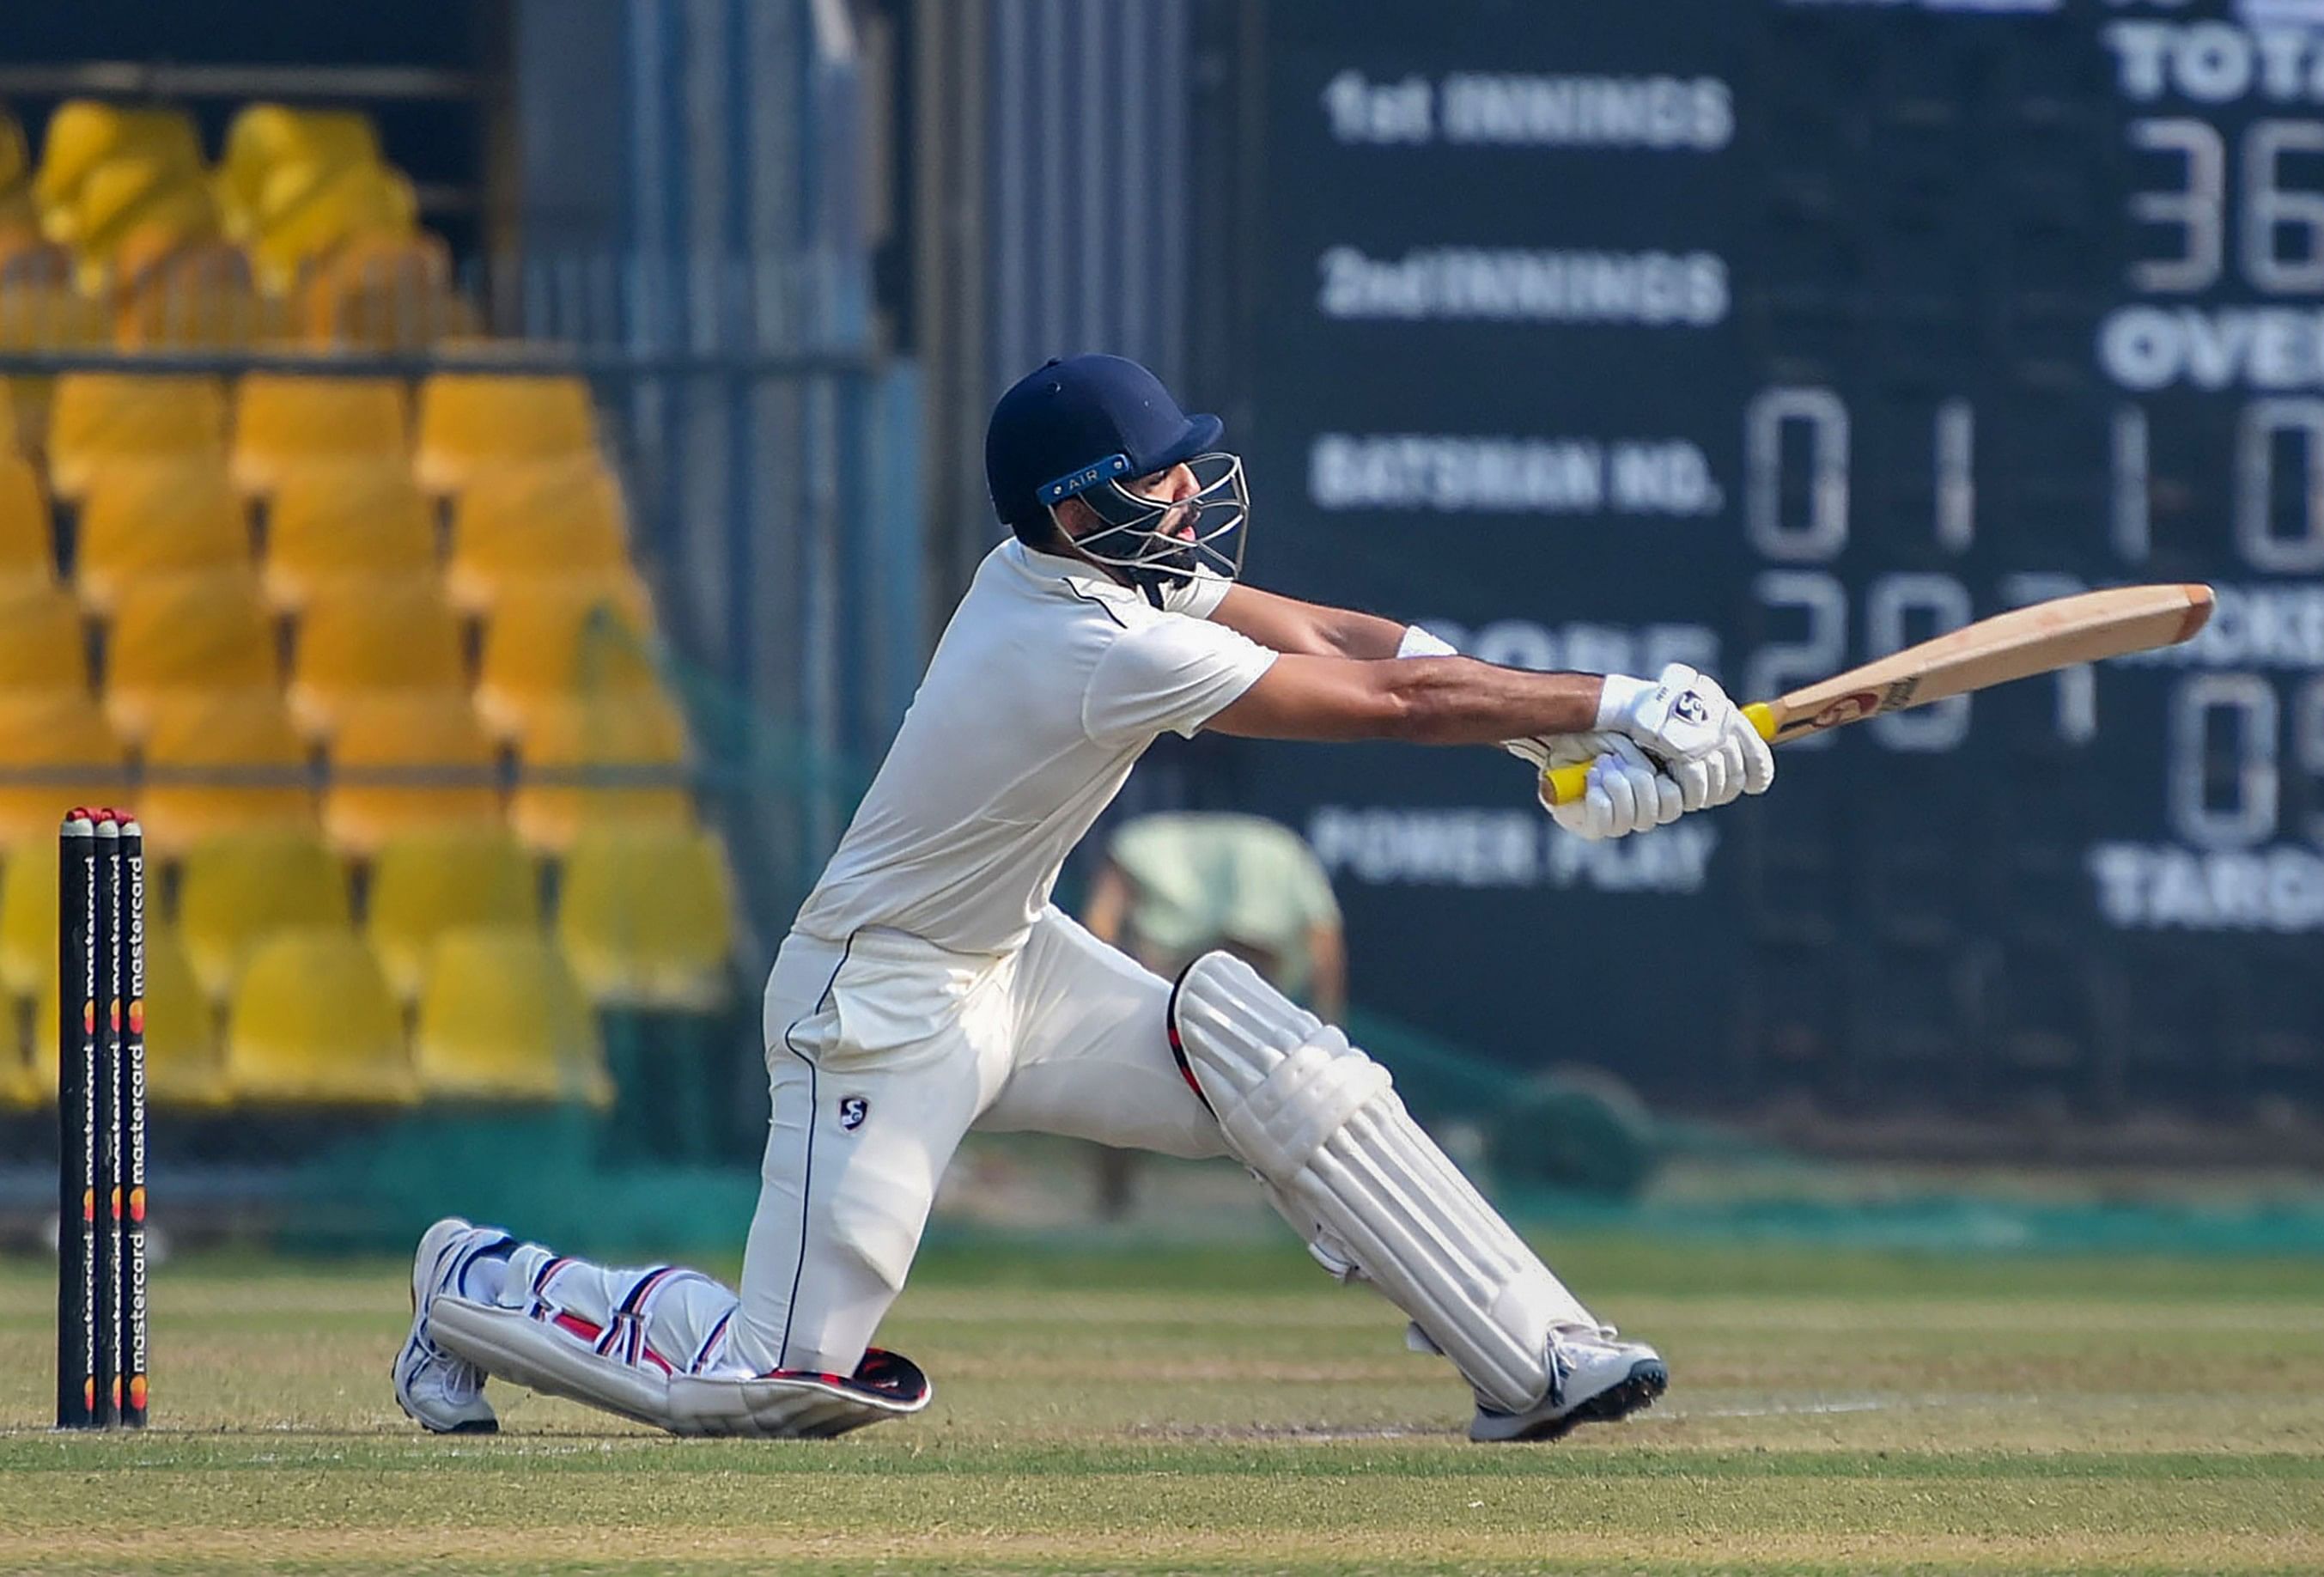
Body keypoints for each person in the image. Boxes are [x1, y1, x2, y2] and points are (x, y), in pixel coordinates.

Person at [392, 354, 1773, 1440]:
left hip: (1018, 969)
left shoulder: (1093, 569)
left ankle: (1536, 1356)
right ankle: (472, 1288)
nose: (1188, 493)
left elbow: (1338, 635)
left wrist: (1553, 726)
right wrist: (1619, 702)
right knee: (778, 1380)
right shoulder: (1086, 644)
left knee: (1282, 1070)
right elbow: (1387, 703)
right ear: (1075, 503)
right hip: (875, 1004)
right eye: (1160, 475)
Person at [1081, 813, 1344, 1218]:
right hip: (1239, 978)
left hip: (1170, 982)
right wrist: (1329, 1022)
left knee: (1120, 1078)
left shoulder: (1144, 842)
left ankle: (1115, 1198)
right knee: (1277, 1091)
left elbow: (1101, 920)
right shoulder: (1280, 851)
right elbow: (1324, 940)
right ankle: (1303, 1204)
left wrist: (1105, 987)